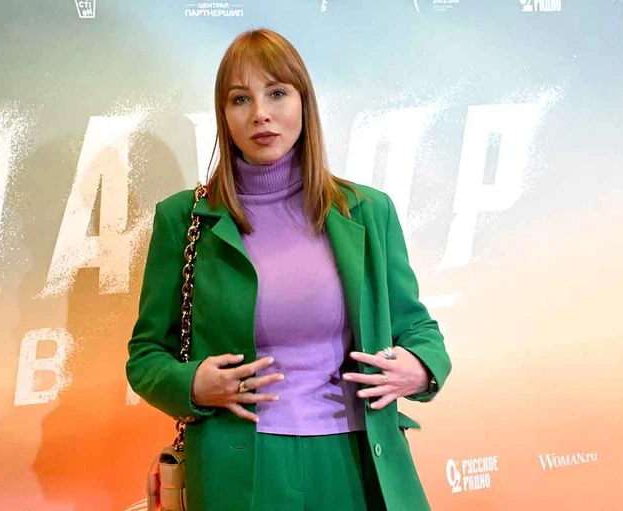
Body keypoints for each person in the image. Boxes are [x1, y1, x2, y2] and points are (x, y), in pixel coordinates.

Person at [126, 28, 451, 511]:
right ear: (224, 115)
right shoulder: (183, 219)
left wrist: (421, 368)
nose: (260, 113)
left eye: (277, 93)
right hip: (241, 467)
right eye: (241, 98)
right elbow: (146, 355)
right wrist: (192, 385)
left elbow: (417, 327)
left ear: (304, 102)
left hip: (360, 458)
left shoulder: (368, 211)